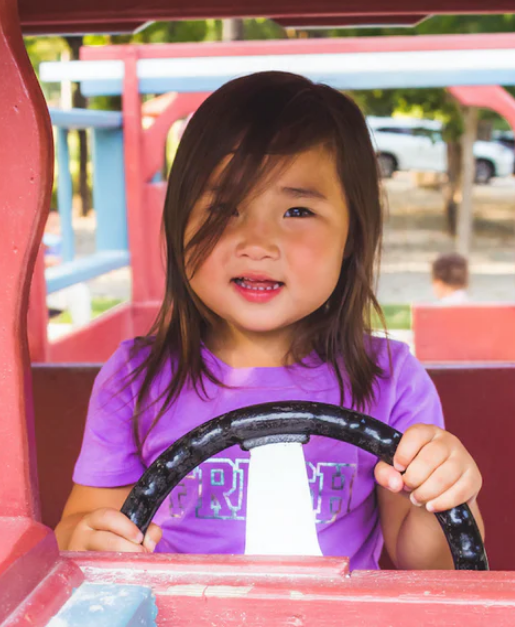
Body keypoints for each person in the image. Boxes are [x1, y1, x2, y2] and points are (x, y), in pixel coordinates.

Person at [56, 72, 483, 570]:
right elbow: (81, 524)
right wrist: (87, 540)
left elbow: (430, 568)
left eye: (297, 210)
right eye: (225, 208)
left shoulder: (390, 380)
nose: (257, 242)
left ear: (352, 239)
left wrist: (445, 492)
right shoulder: (135, 379)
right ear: (177, 225)